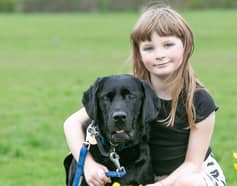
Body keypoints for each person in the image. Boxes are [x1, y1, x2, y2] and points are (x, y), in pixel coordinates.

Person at [64, 5, 226, 186]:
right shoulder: (133, 90)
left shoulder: (199, 101)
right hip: (149, 175)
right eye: (149, 48)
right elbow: (71, 123)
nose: (159, 55)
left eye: (168, 45)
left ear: (186, 46)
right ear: (139, 53)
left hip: (193, 176)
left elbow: (192, 165)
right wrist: (88, 165)